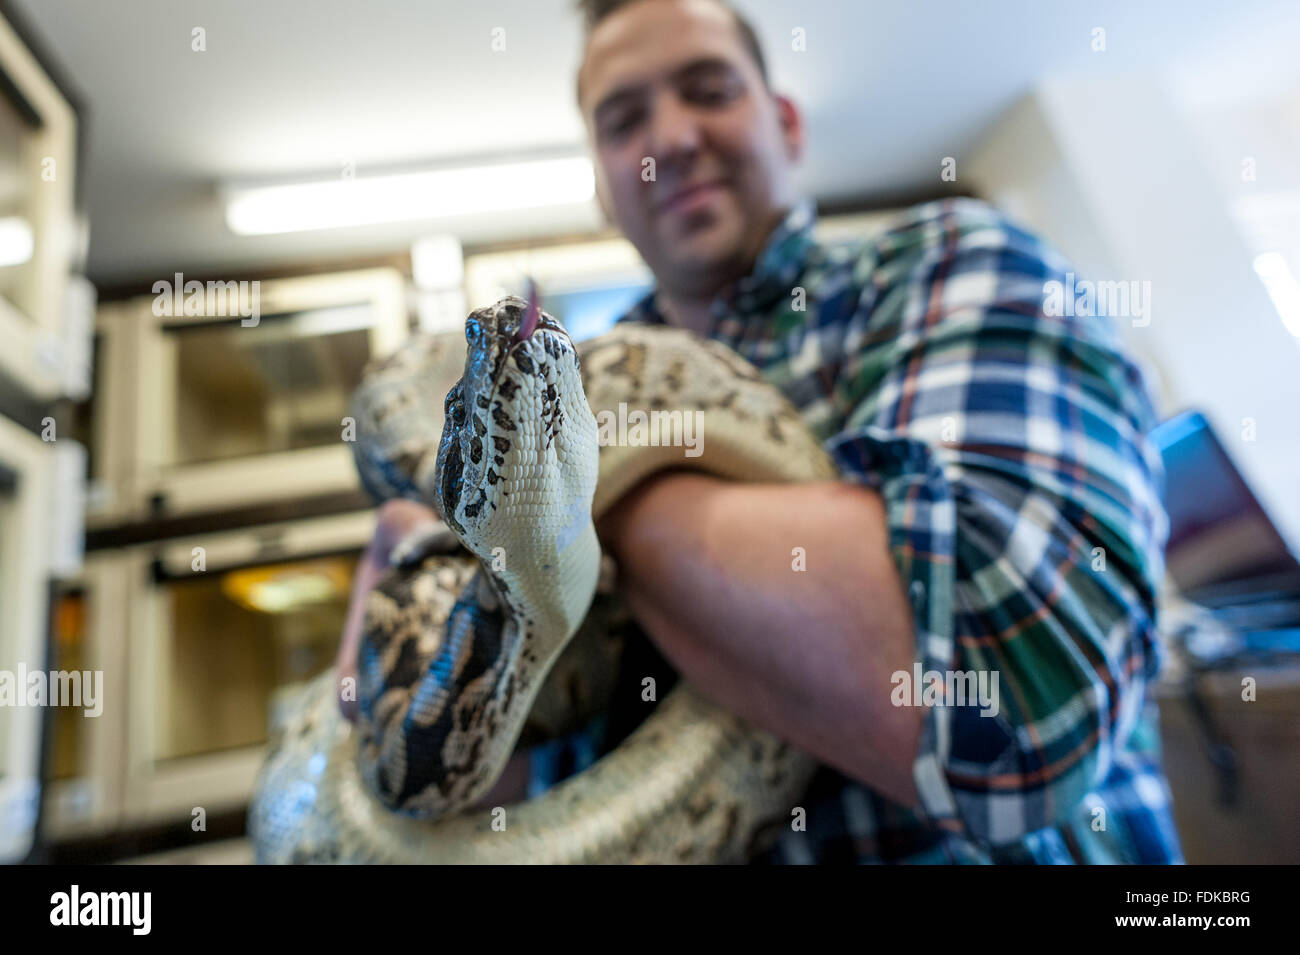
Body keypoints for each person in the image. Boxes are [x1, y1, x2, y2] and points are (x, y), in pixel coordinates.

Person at [337, 0, 1184, 863]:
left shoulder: (950, 264)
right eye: (625, 119)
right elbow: (466, 786)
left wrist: (571, 496)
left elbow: (1013, 715)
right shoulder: (556, 380)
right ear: (600, 181)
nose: (672, 136)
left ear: (784, 123)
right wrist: (398, 599)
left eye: (708, 90)